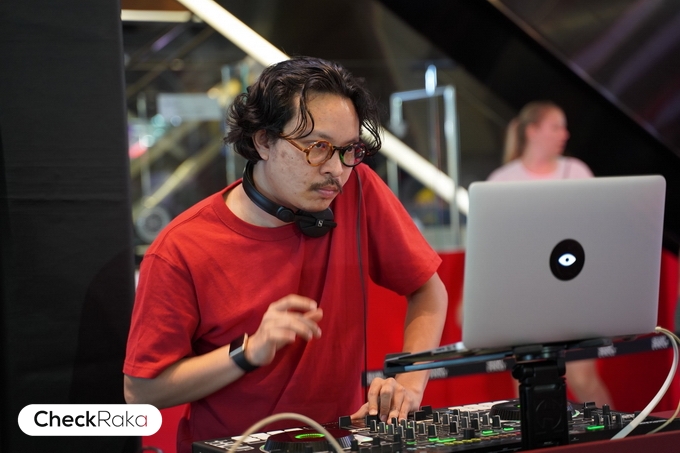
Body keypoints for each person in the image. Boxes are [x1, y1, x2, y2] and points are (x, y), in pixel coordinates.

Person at [123, 56, 448, 453]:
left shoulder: (357, 188)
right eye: (318, 147)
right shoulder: (182, 248)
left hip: (340, 442)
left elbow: (428, 290)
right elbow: (141, 392)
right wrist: (248, 351)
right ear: (263, 141)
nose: (336, 170)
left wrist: (410, 384)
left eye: (349, 150)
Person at [487, 100, 613, 408]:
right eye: (556, 127)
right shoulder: (501, 180)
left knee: (582, 379)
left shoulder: (577, 171)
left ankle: (617, 431)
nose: (565, 134)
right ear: (532, 131)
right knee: (526, 382)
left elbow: (596, 230)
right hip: (523, 297)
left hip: (574, 292)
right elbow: (492, 247)